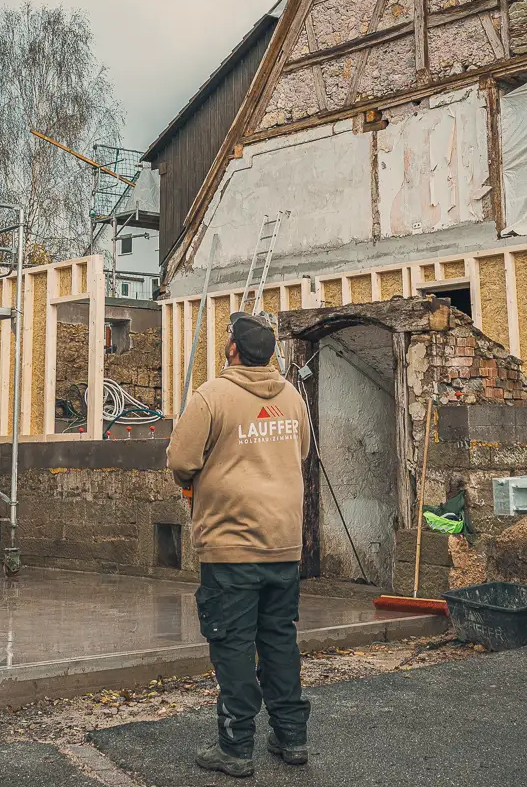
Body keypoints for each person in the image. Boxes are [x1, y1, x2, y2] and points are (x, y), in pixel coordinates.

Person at [167, 312, 312, 778]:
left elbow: (182, 459)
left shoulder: (212, 396)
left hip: (230, 545)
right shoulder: (292, 397)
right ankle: (292, 738)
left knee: (232, 644)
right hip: (283, 544)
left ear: (232, 348)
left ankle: (235, 745)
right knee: (279, 641)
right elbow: (302, 451)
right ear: (269, 353)